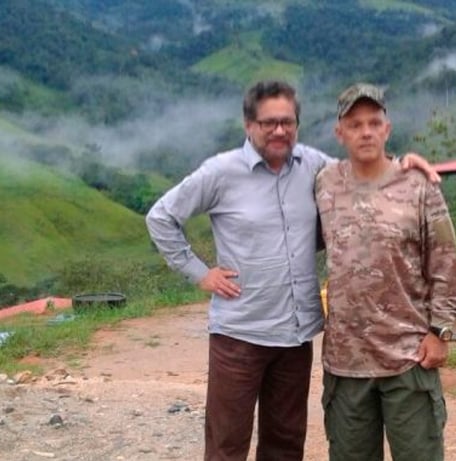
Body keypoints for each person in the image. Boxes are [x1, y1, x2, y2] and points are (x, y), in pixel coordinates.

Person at [145, 80, 440, 461]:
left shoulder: (314, 166)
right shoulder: (220, 172)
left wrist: (403, 165)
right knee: (227, 444)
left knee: (285, 443)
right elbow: (161, 217)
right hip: (240, 334)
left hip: (295, 338)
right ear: (248, 125)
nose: (279, 130)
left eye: (287, 122)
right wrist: (200, 273)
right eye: (268, 123)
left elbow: (363, 170)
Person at [315, 83, 456, 461]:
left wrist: (440, 331)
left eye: (374, 123)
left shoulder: (418, 186)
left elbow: (446, 262)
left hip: (408, 357)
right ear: (339, 133)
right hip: (346, 362)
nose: (365, 132)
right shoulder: (324, 183)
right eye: (355, 125)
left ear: (387, 129)